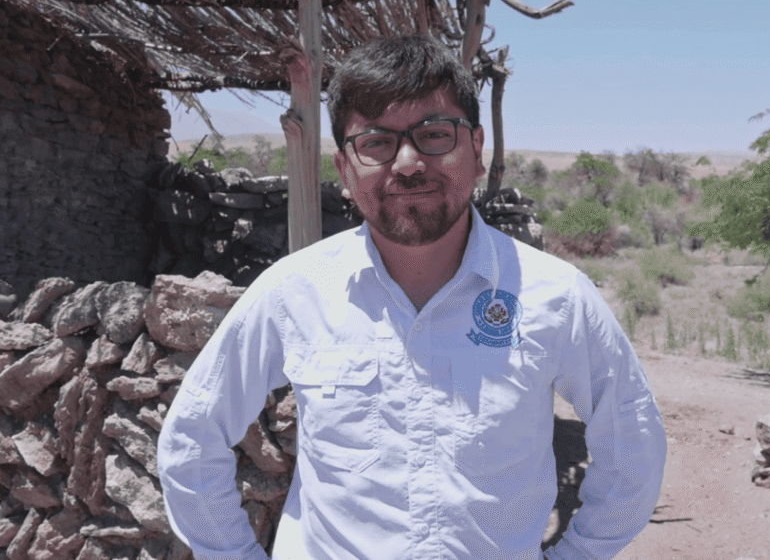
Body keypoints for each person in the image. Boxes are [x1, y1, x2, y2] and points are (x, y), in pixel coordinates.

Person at [157, 34, 666, 560]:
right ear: (344, 169)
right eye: (376, 142)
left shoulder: (556, 296)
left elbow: (633, 441)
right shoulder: (294, 291)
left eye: (435, 134)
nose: (407, 162)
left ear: (476, 149)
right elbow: (192, 439)